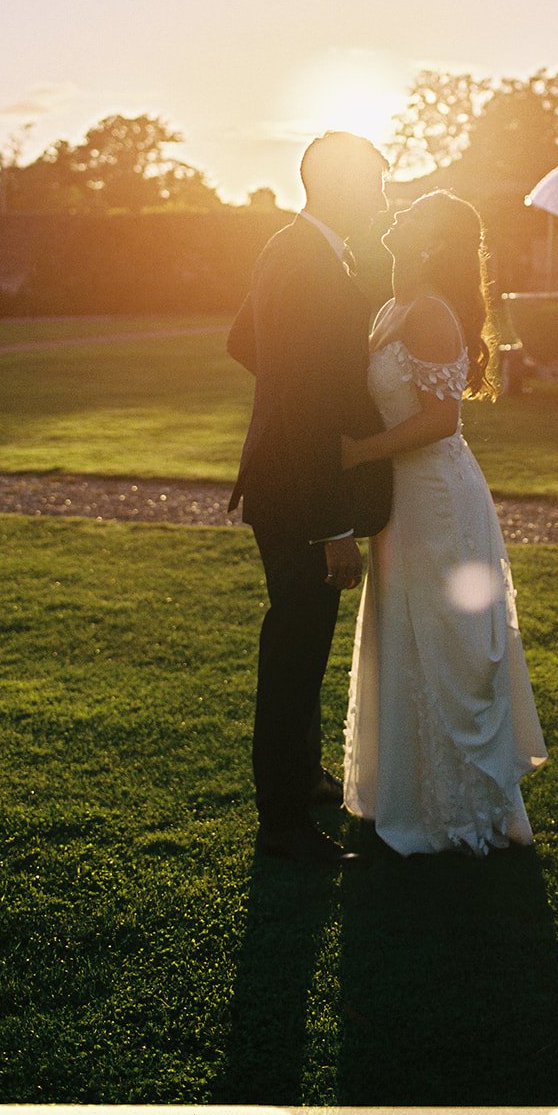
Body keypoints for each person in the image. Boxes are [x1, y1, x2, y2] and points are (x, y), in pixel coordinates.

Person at [341, 190, 547, 856]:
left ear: (430, 243)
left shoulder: (429, 313)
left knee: (445, 638)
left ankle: (456, 806)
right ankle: (406, 788)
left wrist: (355, 454)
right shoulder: (391, 305)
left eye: (411, 216)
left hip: (434, 494)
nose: (394, 217)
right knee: (404, 627)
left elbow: (440, 420)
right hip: (400, 497)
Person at [227, 132, 393, 867]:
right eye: (376, 184)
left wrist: (293, 377)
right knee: (293, 651)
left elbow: (242, 339)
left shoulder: (294, 246)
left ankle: (302, 776)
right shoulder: (307, 259)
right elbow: (301, 400)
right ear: (342, 185)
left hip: (284, 478)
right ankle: (283, 824)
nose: (383, 198)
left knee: (305, 642)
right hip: (297, 492)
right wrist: (333, 526)